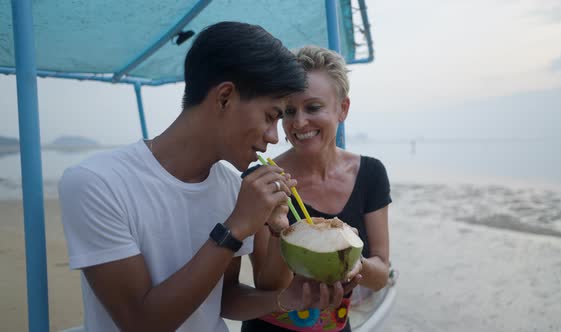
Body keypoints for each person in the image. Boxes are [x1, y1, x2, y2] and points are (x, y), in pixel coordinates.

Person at [59, 23, 358, 332]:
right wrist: (235, 227)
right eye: (271, 116)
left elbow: (224, 297)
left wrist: (287, 298)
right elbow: (140, 322)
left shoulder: (230, 186)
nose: (273, 137)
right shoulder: (96, 183)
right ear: (225, 97)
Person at [241, 45, 392, 332]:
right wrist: (278, 231)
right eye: (288, 111)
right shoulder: (263, 178)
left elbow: (381, 273)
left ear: (342, 109)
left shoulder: (371, 174)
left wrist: (353, 263)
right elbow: (265, 284)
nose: (298, 122)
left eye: (312, 107)